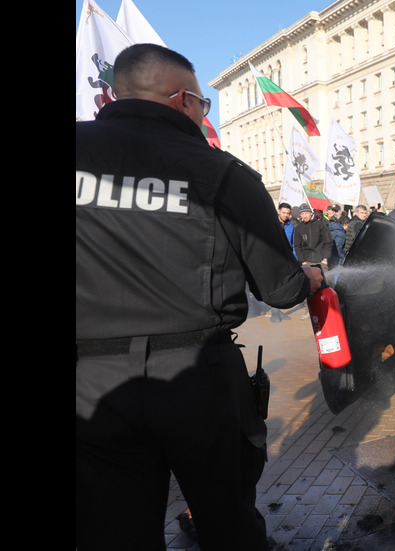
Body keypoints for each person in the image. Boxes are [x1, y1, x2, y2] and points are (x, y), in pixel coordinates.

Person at [76, 44, 323, 550]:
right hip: (197, 378)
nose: (201, 113)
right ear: (181, 100)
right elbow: (279, 290)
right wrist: (312, 280)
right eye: (201, 103)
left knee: (113, 530)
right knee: (226, 520)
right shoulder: (221, 172)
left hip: (92, 383)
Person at [269, 203, 297, 322]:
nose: (285, 215)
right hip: (273, 260)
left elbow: (293, 244)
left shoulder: (291, 226)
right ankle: (274, 314)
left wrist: (295, 259)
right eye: (283, 212)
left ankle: (279, 312)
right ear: (278, 211)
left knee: (284, 287)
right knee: (274, 287)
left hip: (287, 260)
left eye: (287, 213)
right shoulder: (271, 224)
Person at [325, 204, 347, 269]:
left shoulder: (342, 221)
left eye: (336, 211)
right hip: (334, 260)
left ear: (340, 211)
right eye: (333, 211)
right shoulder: (330, 223)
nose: (334, 213)